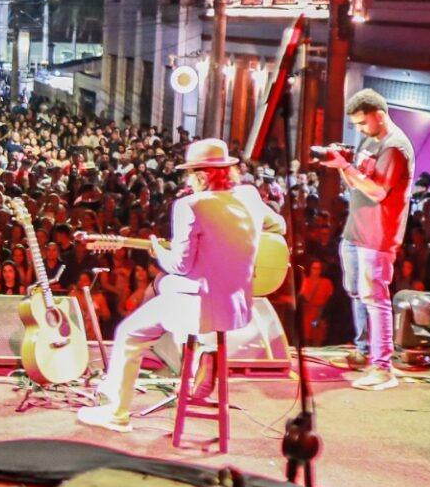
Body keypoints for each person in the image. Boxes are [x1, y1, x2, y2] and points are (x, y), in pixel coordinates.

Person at [78, 138, 286, 432]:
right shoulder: (249, 196)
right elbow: (280, 226)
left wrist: (157, 250)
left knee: (129, 331)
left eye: (191, 175)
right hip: (238, 307)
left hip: (200, 309)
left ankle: (116, 412)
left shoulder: (190, 205)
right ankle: (205, 351)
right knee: (166, 287)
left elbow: (180, 265)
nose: (189, 181)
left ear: (201, 176)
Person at [320, 89, 415, 391]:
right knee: (358, 293)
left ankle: (383, 367)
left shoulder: (395, 147)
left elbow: (377, 192)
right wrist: (342, 166)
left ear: (379, 115)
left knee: (375, 298)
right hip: (356, 230)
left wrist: (345, 167)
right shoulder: (370, 139)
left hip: (378, 234)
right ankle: (364, 352)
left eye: (362, 123)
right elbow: (356, 183)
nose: (359, 129)